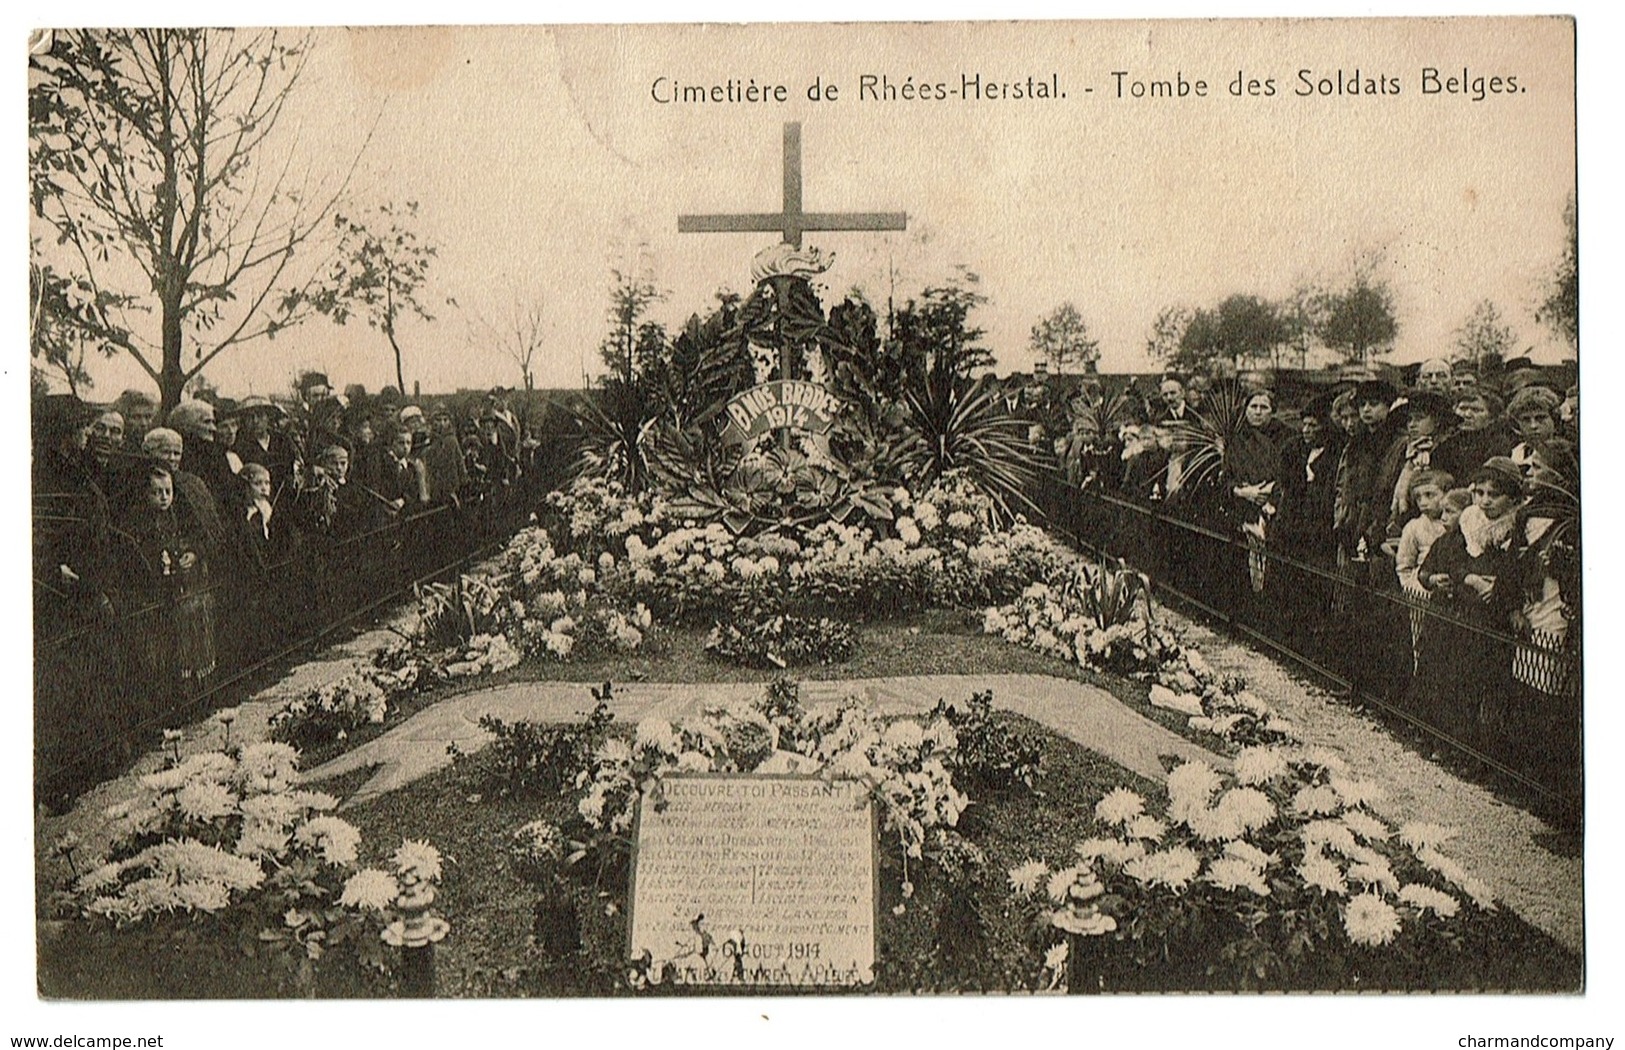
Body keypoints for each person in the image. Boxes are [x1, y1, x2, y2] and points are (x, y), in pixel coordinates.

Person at [1415, 459, 1526, 749]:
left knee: (1484, 687)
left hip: (1491, 618)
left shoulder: (1517, 528)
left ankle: (1478, 752)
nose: (1485, 501)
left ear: (1512, 498)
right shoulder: (1468, 523)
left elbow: (1518, 570)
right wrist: (1470, 578)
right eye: (1480, 493)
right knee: (1456, 682)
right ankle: (1447, 742)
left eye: (1494, 494)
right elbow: (1450, 559)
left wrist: (1500, 589)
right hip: (1461, 614)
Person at [1223, 389, 1283, 594]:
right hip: (1243, 512)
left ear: (1272, 411)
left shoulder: (1285, 438)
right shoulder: (1236, 441)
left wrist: (1269, 492)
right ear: (1246, 410)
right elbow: (1227, 478)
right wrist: (1243, 491)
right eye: (1253, 407)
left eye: (1264, 407)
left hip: (1273, 512)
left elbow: (1289, 477)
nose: (1258, 412)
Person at [168, 400, 239, 508]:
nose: (213, 428)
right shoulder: (179, 456)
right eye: (206, 422)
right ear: (186, 426)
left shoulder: (217, 454)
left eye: (213, 422)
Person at [1433, 389, 1512, 485]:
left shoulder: (1498, 443)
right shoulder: (1445, 441)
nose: (1467, 415)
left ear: (1491, 417)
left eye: (1476, 410)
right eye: (1463, 408)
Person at [235, 395, 299, 499]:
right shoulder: (240, 447)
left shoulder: (282, 441)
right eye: (250, 417)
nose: (255, 421)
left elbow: (291, 470)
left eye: (260, 415)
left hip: (285, 499)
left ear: (268, 417)